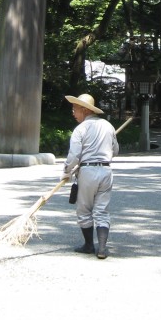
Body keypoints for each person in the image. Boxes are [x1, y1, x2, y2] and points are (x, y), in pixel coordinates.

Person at [62, 93, 119, 258]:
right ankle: (102, 248)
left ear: (84, 110)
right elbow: (115, 150)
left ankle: (88, 245)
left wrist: (66, 172)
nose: (73, 113)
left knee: (84, 209)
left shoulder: (81, 129)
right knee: (102, 210)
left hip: (87, 171)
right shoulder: (108, 126)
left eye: (74, 109)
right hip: (106, 171)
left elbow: (74, 155)